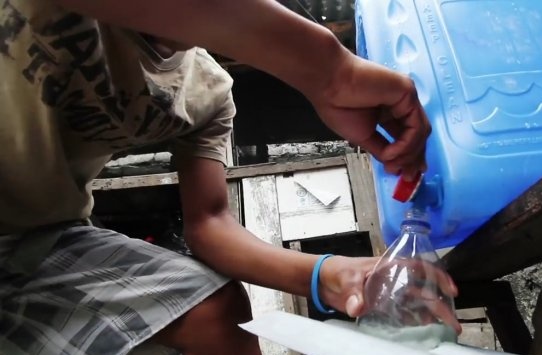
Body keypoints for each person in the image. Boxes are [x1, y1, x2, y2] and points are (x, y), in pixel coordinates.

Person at [0, 1, 461, 354]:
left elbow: (211, 225)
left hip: (42, 240)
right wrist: (327, 68)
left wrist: (330, 276)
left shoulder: (208, 93)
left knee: (217, 309)